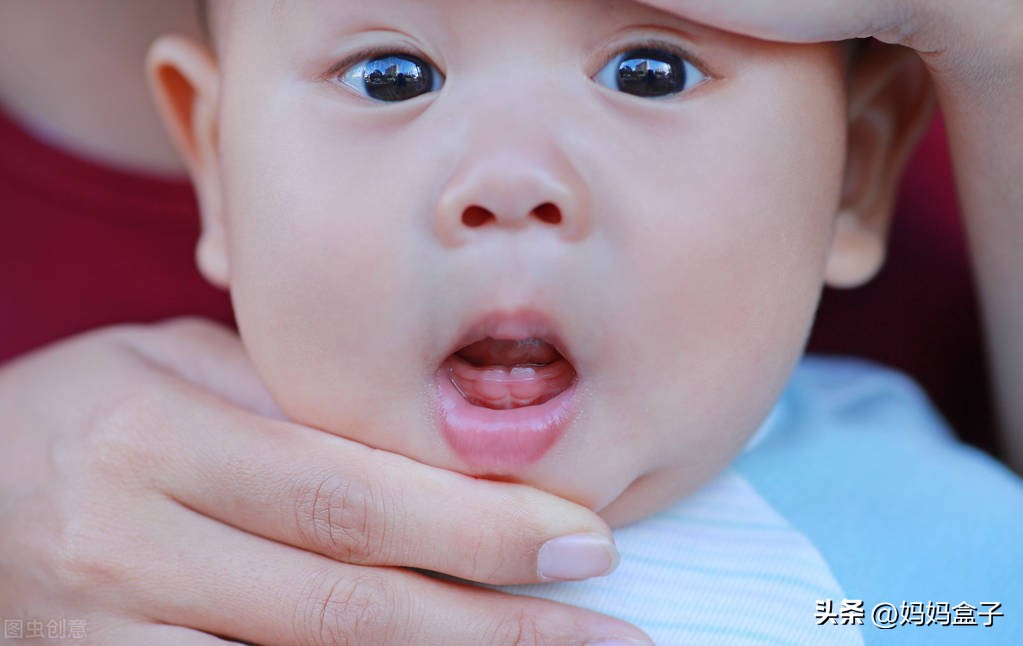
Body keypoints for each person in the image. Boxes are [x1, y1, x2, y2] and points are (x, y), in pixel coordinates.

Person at [143, 0, 1023, 644]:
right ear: (216, 164)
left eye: (648, 72)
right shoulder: (124, 550)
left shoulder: (946, 570)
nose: (510, 180)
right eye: (391, 77)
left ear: (852, 173)